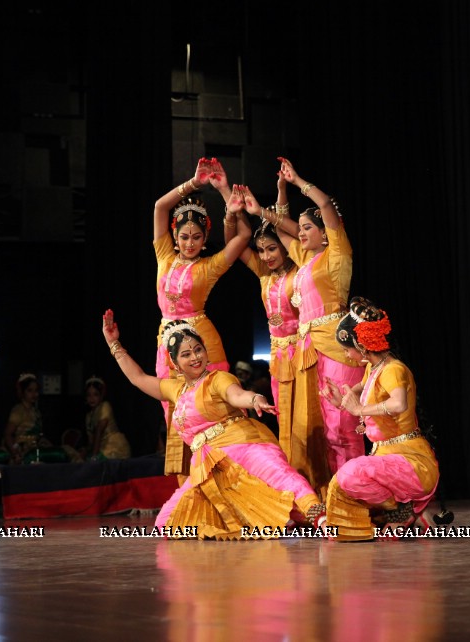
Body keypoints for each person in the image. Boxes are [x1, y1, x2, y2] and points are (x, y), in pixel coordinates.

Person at [103, 308, 325, 538]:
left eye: (198, 350)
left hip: (243, 447)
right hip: (209, 469)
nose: (195, 357)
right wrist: (114, 345)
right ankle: (271, 523)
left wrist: (255, 399)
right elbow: (137, 378)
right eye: (186, 354)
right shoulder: (176, 389)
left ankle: (322, 520)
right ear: (176, 363)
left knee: (280, 477)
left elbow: (237, 395)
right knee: (167, 524)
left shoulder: (217, 379)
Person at [243, 158, 363, 485]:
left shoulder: (337, 253)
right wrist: (267, 204)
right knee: (322, 426)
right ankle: (332, 493)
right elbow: (282, 228)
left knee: (343, 426)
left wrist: (297, 181)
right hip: (309, 351)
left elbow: (323, 204)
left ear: (326, 233)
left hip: (336, 346)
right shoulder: (306, 258)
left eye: (308, 227)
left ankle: (358, 495)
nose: (301, 231)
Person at [153, 158, 251, 476]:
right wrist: (194, 183)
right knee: (174, 410)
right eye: (184, 237)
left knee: (210, 407)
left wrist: (225, 193)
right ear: (174, 236)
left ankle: (227, 476)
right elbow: (159, 207)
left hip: (200, 342)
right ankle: (187, 486)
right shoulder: (164, 254)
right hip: (166, 343)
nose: (190, 243)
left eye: (196, 237)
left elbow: (242, 237)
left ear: (204, 237)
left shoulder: (208, 268)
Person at [235, 180, 333, 492]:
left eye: (271, 248)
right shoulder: (265, 276)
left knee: (309, 423)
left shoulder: (301, 271)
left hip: (304, 353)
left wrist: (279, 194)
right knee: (286, 426)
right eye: (261, 251)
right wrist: (230, 202)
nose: (265, 256)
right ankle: (295, 492)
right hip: (278, 359)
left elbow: (284, 226)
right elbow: (237, 244)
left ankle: (319, 487)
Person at [320, 297, 439, 541]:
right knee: (349, 488)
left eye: (346, 348)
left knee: (350, 475)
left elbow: (398, 404)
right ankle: (408, 511)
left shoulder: (393, 369)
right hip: (387, 459)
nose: (345, 354)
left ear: (361, 345)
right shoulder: (373, 367)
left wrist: (359, 410)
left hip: (410, 462)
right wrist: (341, 400)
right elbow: (360, 390)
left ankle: (401, 511)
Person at [4, 373, 80, 464]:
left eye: (36, 391)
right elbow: (8, 434)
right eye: (30, 391)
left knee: (66, 450)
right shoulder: (18, 410)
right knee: (65, 452)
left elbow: (38, 435)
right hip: (24, 451)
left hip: (37, 448)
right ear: (23, 392)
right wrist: (15, 453)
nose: (34, 394)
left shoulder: (36, 412)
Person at [82, 376, 131, 461]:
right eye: (89, 395)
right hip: (101, 449)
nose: (91, 398)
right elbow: (91, 440)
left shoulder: (105, 406)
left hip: (114, 448)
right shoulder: (88, 416)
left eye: (95, 394)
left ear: (101, 396)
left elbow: (99, 430)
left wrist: (94, 455)